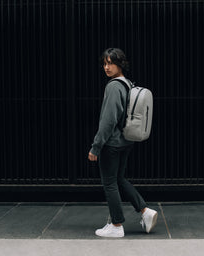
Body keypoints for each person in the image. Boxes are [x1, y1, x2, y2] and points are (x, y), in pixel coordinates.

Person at [88, 48, 158, 238]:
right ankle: (145, 211)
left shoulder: (113, 86)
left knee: (109, 183)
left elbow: (108, 120)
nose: (106, 67)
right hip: (126, 141)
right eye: (104, 63)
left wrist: (96, 146)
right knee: (119, 179)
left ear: (120, 64)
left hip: (112, 144)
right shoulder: (127, 84)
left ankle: (117, 225)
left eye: (111, 63)